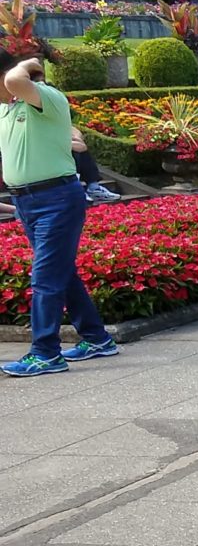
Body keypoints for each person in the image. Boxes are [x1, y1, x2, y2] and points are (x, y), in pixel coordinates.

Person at [0, 49, 118, 377]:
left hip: (56, 198)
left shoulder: (47, 99)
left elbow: (12, 78)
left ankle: (46, 353)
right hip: (26, 202)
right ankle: (96, 338)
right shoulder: (5, 110)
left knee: (45, 278)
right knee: (60, 273)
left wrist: (26, 64)